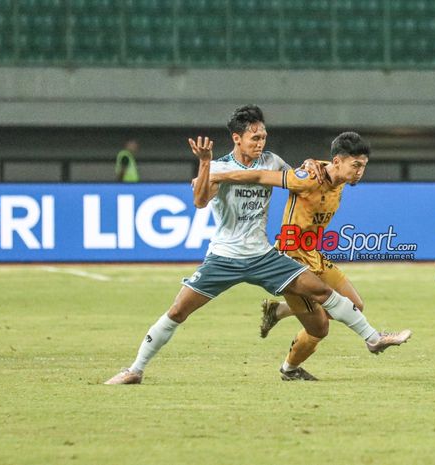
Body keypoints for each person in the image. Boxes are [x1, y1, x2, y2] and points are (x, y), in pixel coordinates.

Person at [105, 105, 410, 385]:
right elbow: (199, 202)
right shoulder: (219, 166)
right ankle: (136, 369)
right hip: (224, 256)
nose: (260, 142)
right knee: (178, 311)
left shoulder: (272, 160)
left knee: (322, 291)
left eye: (263, 136)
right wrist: (205, 164)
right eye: (254, 137)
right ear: (237, 138)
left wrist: (311, 163)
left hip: (264, 255)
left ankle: (373, 338)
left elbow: (298, 177)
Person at [210, 131, 409, 381]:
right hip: (290, 260)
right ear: (338, 161)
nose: (359, 172)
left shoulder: (336, 176)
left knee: (355, 305)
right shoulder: (307, 179)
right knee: (319, 328)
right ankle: (290, 369)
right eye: (355, 165)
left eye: (363, 166)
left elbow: (320, 165)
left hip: (313, 254)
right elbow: (261, 175)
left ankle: (280, 312)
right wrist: (217, 175)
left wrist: (310, 160)